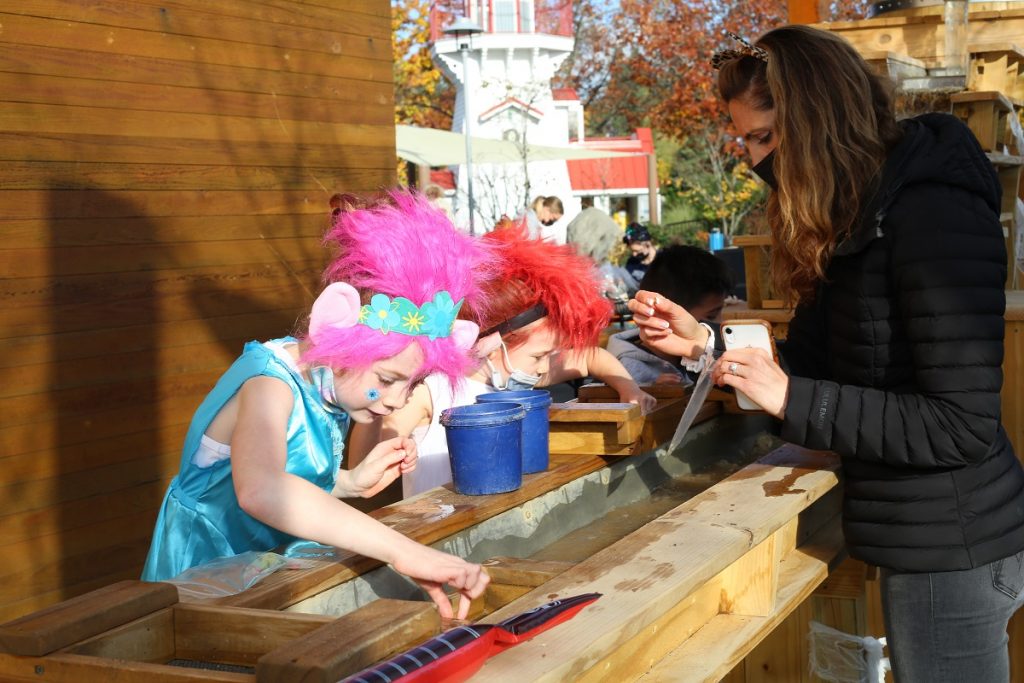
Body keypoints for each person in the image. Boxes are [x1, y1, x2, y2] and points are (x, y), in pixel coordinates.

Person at [630, 26, 1024, 681]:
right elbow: (811, 365)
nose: (753, 160)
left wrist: (790, 396)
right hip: (918, 534)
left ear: (815, 123)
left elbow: (959, 423)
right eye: (743, 142)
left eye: (763, 138)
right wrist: (703, 345)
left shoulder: (929, 213)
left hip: (954, 544)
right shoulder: (853, 216)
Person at [142, 192, 492, 618]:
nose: (398, 401)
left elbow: (288, 476)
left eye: (413, 383)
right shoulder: (269, 384)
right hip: (208, 574)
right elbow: (261, 489)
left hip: (268, 572)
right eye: (387, 380)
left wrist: (347, 482)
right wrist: (403, 551)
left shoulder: (327, 386)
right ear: (341, 344)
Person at [349, 222, 657, 498]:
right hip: (444, 535)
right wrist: (379, 407)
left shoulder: (516, 376)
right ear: (492, 344)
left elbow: (591, 357)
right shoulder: (432, 392)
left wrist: (628, 387)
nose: (544, 366)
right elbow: (361, 466)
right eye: (539, 355)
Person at [608, 244, 731, 385]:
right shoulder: (625, 372)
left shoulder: (700, 353)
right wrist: (653, 394)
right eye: (711, 316)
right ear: (665, 315)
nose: (720, 323)